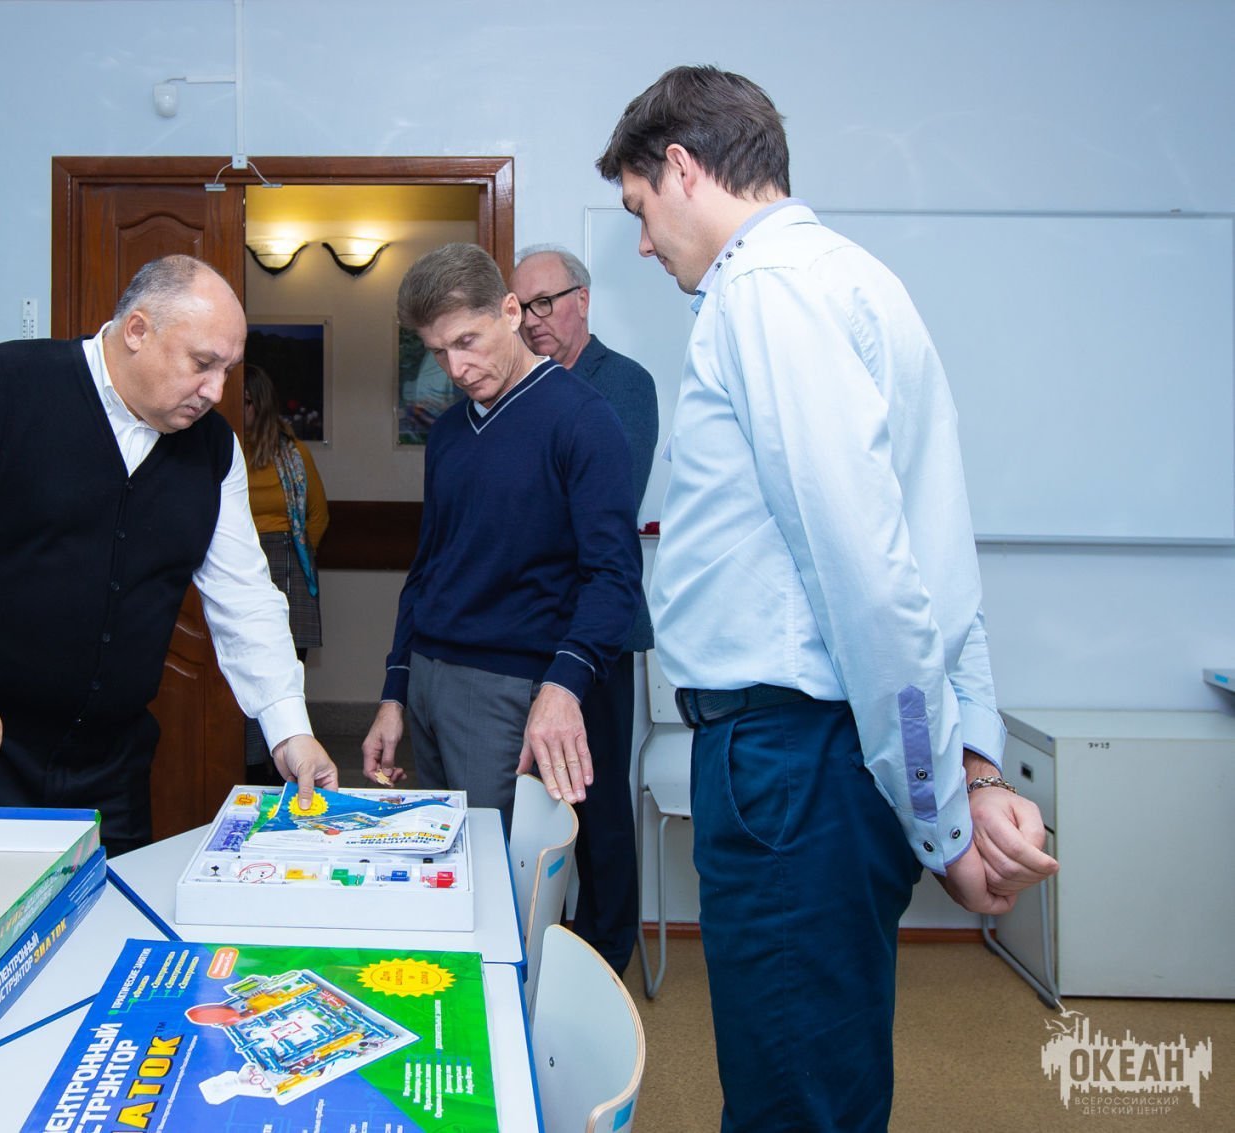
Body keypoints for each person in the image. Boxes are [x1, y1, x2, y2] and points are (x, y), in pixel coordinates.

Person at [597, 66, 1058, 1130]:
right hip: (823, 761)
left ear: (682, 166)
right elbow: (935, 563)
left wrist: (944, 818)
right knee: (826, 1078)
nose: (642, 242)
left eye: (637, 207)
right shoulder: (856, 279)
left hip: (789, 765)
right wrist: (971, 760)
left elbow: (869, 583)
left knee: (792, 1100)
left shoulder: (764, 291)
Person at [0, 255, 338, 853]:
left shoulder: (216, 450)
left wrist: (290, 730)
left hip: (110, 775)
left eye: (227, 371)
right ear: (137, 331)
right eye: (202, 364)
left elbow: (245, 599)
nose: (216, 391)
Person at [361, 242, 641, 833]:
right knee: (442, 863)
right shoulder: (448, 433)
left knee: (498, 871)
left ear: (511, 312)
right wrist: (394, 694)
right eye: (438, 352)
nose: (456, 368)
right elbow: (427, 570)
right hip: (428, 681)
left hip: (504, 690)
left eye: (467, 341)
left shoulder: (583, 419)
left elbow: (613, 575)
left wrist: (565, 685)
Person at [510, 244, 658, 976]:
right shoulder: (518, 388)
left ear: (582, 301)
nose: (534, 320)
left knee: (594, 800)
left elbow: (600, 507)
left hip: (597, 633)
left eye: (546, 302)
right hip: (525, 631)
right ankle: (545, 944)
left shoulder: (623, 384)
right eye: (522, 307)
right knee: (532, 802)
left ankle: (606, 957)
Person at [239, 363, 328, 771]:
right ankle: (243, 767)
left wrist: (296, 556)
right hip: (239, 563)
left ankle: (280, 766)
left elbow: (317, 516)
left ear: (260, 404)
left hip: (287, 565)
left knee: (284, 674)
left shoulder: (293, 454)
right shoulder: (221, 449)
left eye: (244, 402)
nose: (237, 409)